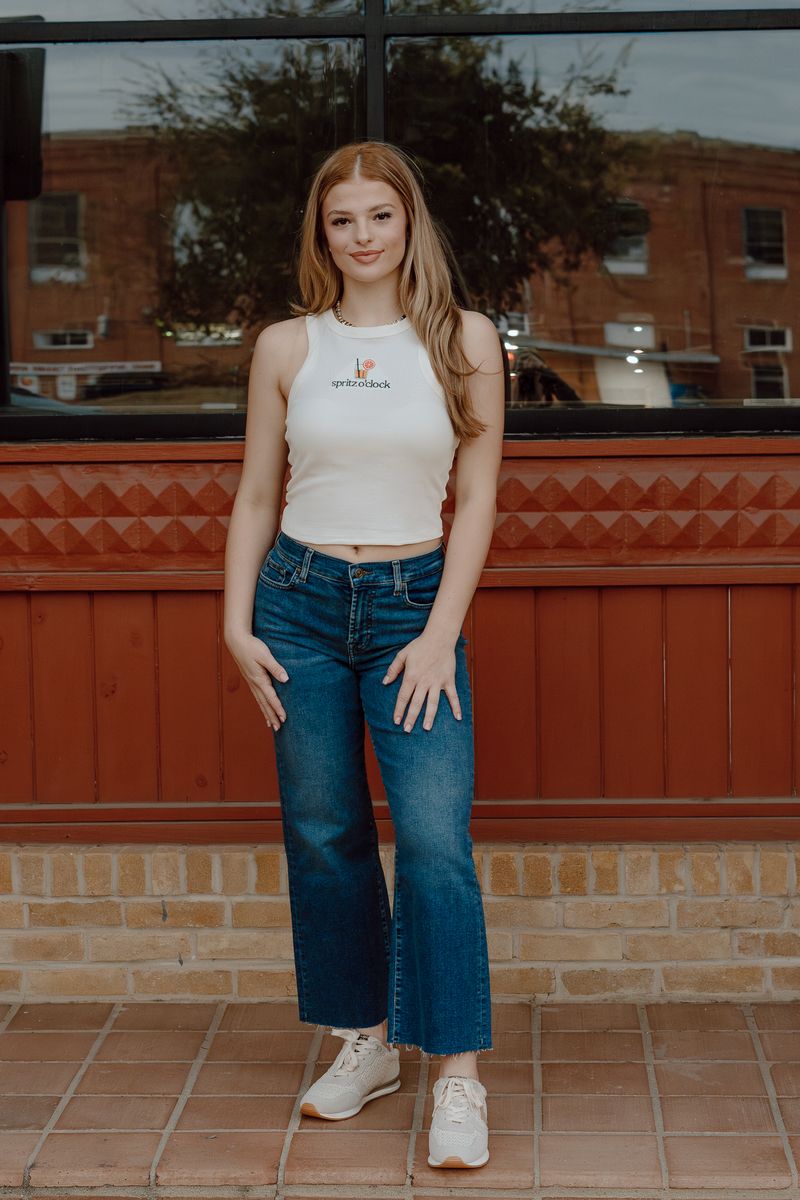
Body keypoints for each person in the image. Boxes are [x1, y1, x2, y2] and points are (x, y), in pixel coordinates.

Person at [223, 140, 504, 1170]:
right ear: (322, 234)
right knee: (327, 831)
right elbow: (257, 493)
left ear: (407, 224)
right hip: (296, 604)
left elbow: (474, 498)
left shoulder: (463, 339)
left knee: (432, 840)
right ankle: (364, 1041)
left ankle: (458, 1076)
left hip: (411, 603)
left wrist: (438, 633)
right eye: (342, 220)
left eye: (378, 216)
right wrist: (234, 620)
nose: (362, 236)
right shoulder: (285, 348)